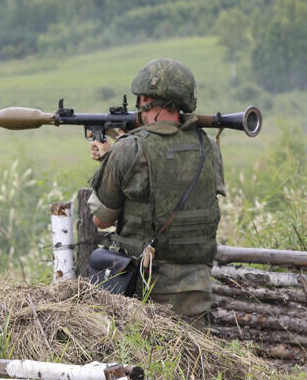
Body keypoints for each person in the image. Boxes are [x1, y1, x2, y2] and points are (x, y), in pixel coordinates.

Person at [87, 58, 225, 329]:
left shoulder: (128, 149)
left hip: (145, 292)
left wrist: (110, 158)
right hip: (196, 289)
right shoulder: (208, 146)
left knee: (145, 368)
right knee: (191, 367)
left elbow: (101, 219)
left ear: (147, 99)